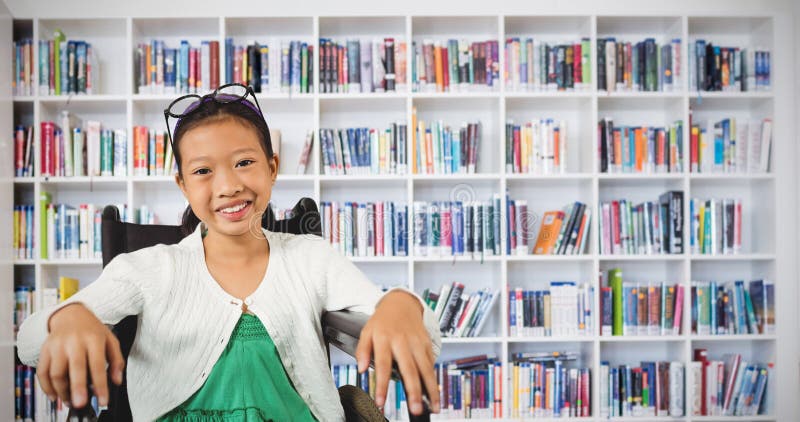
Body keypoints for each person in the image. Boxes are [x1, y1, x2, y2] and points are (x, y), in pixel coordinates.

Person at [16, 83, 442, 421]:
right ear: (182, 184)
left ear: (272, 169)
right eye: (203, 171)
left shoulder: (312, 258)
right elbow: (31, 341)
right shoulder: (148, 269)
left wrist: (402, 306)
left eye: (244, 163)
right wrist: (69, 318)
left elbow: (425, 334)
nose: (228, 186)